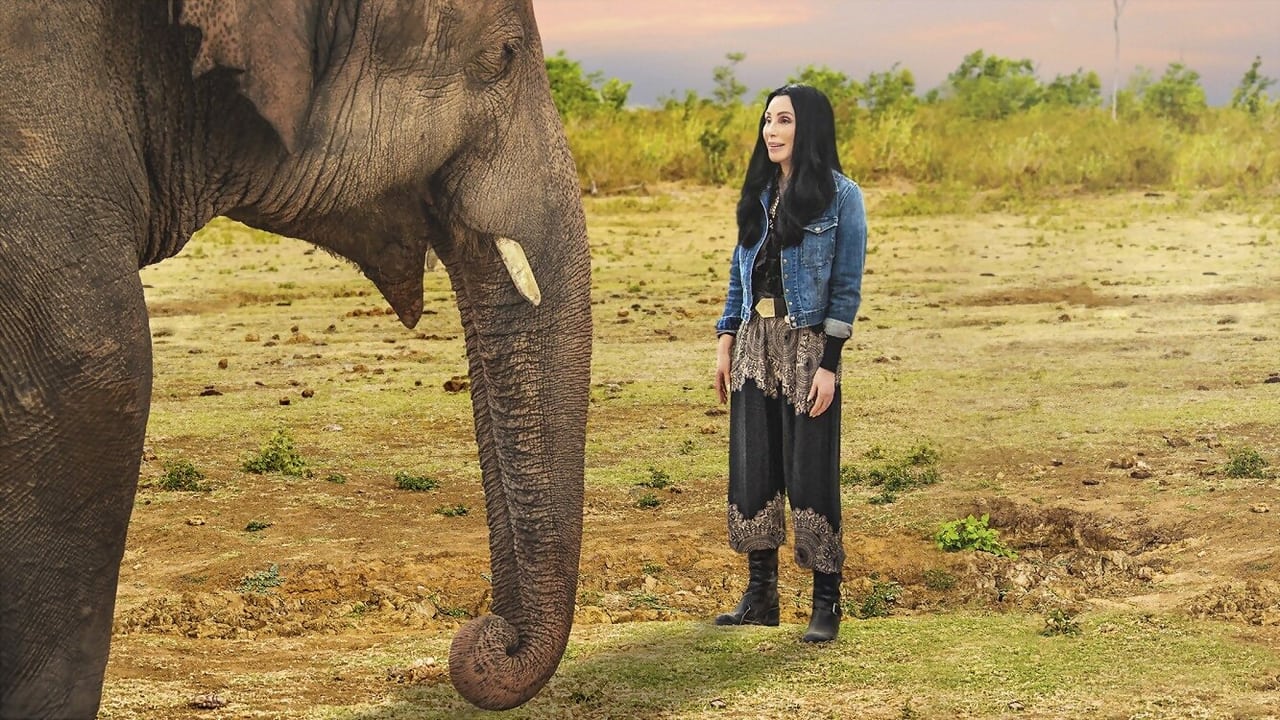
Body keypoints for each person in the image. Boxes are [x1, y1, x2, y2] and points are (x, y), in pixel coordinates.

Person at [712, 83, 868, 643]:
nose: (771, 131)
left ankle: (826, 601)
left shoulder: (843, 197)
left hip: (807, 347)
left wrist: (830, 362)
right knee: (754, 465)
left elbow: (846, 288)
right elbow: (739, 273)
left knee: (810, 469)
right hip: (756, 339)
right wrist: (726, 337)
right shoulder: (757, 195)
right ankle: (761, 597)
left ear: (810, 128)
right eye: (766, 121)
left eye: (783, 121)